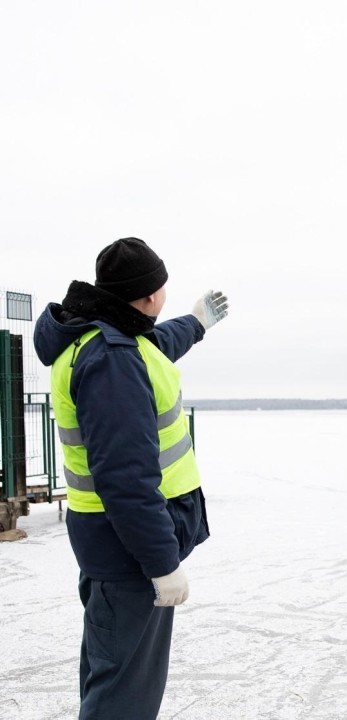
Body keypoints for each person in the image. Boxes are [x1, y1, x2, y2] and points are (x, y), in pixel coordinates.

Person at [33, 237, 229, 720]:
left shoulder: (109, 337)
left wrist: (198, 323)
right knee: (124, 697)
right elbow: (126, 479)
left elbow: (160, 343)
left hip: (112, 544)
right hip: (131, 553)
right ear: (147, 296)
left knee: (113, 680)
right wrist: (161, 563)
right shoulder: (113, 361)